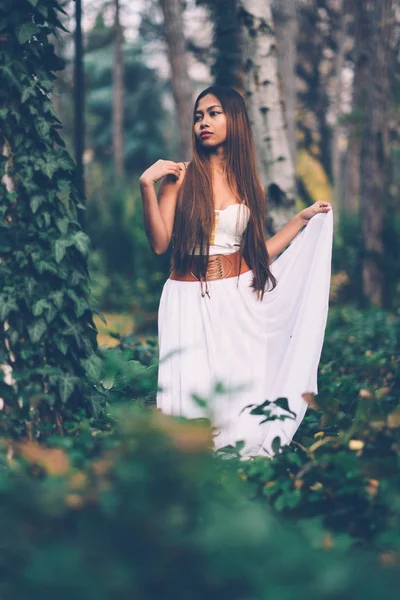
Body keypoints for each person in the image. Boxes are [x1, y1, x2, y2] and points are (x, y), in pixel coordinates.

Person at [139, 86, 333, 458]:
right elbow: (160, 243)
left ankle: (239, 471)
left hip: (235, 297)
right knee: (192, 390)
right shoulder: (181, 177)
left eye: (213, 113)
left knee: (236, 386)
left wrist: (300, 220)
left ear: (236, 120)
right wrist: (147, 185)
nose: (204, 123)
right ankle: (191, 471)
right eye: (198, 116)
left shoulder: (249, 185)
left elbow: (255, 255)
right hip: (185, 299)